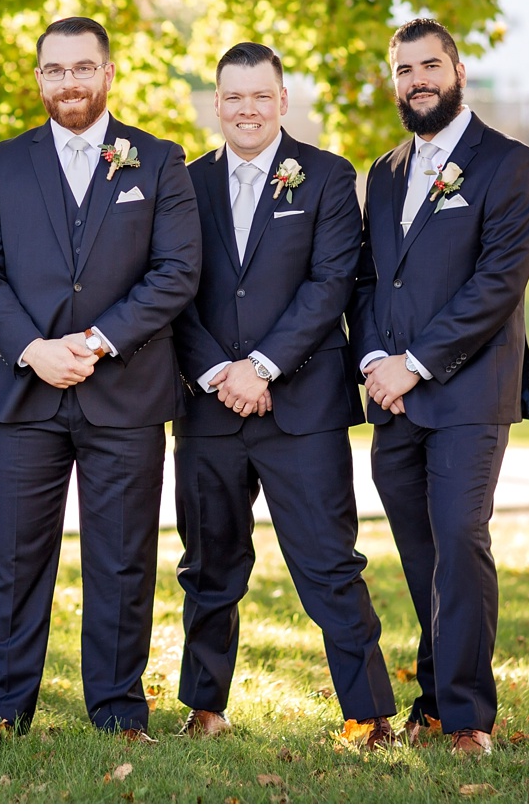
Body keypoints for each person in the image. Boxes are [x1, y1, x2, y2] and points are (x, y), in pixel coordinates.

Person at [0, 16, 201, 746]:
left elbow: (177, 271)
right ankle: (1, 710)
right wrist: (34, 348)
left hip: (125, 392)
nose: (70, 81)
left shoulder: (157, 161)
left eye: (83, 67)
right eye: (55, 69)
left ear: (108, 73)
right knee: (17, 557)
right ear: (39, 79)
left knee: (124, 557)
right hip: (26, 391)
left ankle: (120, 710)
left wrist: (95, 342)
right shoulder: (1, 164)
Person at [172, 42, 397, 746]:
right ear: (216, 103)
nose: (246, 108)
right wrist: (219, 373)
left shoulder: (328, 177)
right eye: (233, 97)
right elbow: (174, 288)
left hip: (303, 406)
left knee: (329, 561)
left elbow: (330, 283)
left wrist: (262, 367)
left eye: (259, 96)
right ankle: (205, 707)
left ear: (282, 102)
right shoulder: (184, 183)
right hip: (209, 407)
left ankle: (368, 713)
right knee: (209, 563)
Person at [352, 18, 529, 756]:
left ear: (458, 69)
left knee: (461, 540)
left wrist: (416, 363)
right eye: (403, 69)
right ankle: (432, 704)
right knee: (420, 554)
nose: (417, 79)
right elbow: (369, 280)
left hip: (468, 391)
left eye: (429, 65)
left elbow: (496, 285)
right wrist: (375, 360)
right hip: (392, 398)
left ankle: (468, 717)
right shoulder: (387, 170)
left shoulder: (510, 164)